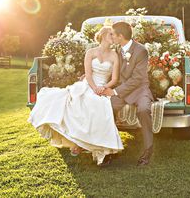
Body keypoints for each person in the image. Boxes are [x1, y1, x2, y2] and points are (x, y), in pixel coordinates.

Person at [27, 26, 123, 165]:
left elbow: (114, 79)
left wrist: (104, 88)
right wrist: (95, 88)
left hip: (103, 87)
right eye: (111, 34)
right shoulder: (91, 52)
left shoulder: (114, 55)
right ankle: (78, 141)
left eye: (114, 35)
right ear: (102, 35)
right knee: (84, 99)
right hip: (88, 84)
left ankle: (99, 147)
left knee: (101, 104)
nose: (113, 37)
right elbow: (88, 74)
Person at [102, 21, 154, 166]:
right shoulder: (117, 50)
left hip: (139, 90)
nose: (111, 36)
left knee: (144, 109)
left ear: (120, 36)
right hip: (122, 92)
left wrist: (115, 91)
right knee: (107, 108)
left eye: (113, 34)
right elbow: (109, 69)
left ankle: (148, 151)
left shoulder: (141, 50)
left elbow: (138, 79)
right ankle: (108, 150)